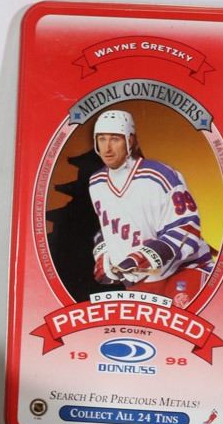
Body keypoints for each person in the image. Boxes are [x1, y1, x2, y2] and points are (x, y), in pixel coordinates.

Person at [88, 109, 214, 308]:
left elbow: (187, 227)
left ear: (130, 141)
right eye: (102, 139)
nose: (107, 148)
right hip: (141, 280)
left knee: (180, 316)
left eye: (115, 139)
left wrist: (146, 256)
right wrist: (103, 255)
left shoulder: (159, 175)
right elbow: (108, 230)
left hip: (184, 267)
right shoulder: (96, 183)